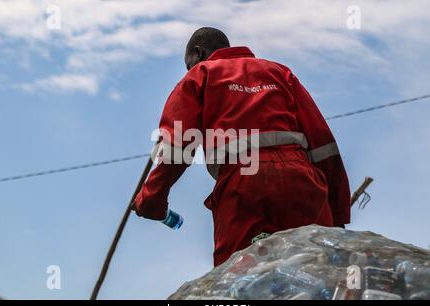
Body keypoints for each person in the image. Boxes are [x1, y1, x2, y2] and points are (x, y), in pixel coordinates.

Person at [132, 27, 351, 266]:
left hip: (243, 187)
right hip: (303, 183)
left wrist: (152, 199)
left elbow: (177, 146)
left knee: (239, 281)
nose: (188, 70)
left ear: (198, 52)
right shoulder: (280, 73)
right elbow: (323, 144)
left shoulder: (200, 76)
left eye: (188, 64)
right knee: (318, 272)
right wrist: (336, 213)